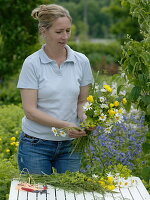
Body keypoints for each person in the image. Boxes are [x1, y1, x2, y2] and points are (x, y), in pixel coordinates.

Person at [17, 4, 93, 175]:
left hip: (70, 146)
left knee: (71, 193)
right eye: (59, 32)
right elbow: (30, 111)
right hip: (36, 145)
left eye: (68, 30)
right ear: (44, 31)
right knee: (38, 194)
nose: (65, 37)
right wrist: (65, 125)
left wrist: (87, 120)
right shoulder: (32, 64)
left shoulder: (82, 61)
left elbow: (82, 101)